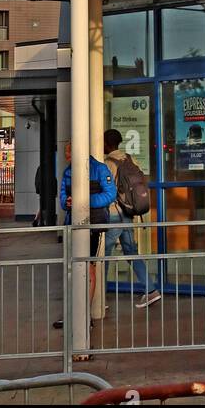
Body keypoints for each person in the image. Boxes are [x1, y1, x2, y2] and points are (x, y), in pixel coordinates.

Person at [53, 141, 117, 328]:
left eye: (69, 153)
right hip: (72, 224)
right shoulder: (68, 172)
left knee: (88, 268)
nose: (66, 157)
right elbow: (63, 197)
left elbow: (110, 194)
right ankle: (72, 313)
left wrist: (85, 200)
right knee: (71, 269)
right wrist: (68, 202)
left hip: (94, 225)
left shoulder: (100, 169)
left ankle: (84, 314)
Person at [103, 128, 160, 309]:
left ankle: (98, 296)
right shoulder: (130, 159)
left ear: (107, 143)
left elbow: (108, 191)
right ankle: (151, 291)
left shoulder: (108, 163)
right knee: (131, 252)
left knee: (103, 255)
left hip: (113, 214)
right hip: (128, 215)